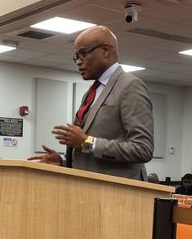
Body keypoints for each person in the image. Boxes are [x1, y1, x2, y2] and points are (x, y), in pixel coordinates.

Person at [27, 26, 154, 180]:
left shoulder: (130, 86)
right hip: (88, 189)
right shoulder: (91, 92)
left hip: (117, 194)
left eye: (83, 54)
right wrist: (63, 160)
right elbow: (87, 150)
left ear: (105, 50)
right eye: (76, 57)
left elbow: (143, 149)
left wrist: (87, 142)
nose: (79, 62)